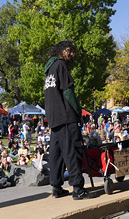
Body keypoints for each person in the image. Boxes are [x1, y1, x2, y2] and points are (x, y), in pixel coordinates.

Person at [44, 41, 92, 200]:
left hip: (53, 117)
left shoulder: (49, 69)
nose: (72, 54)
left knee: (56, 154)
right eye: (69, 50)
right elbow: (68, 92)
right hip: (66, 116)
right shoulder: (61, 66)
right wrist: (78, 111)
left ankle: (56, 187)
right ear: (61, 51)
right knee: (72, 151)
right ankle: (78, 189)